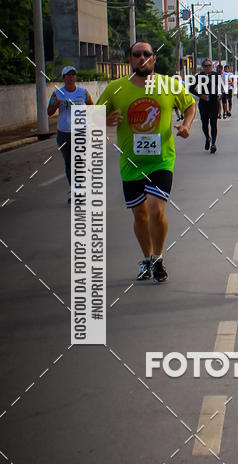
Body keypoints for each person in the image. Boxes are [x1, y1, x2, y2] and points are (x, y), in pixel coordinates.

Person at [96, 40, 195, 283]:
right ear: (130, 60)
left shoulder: (169, 84)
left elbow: (190, 105)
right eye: (136, 55)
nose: (142, 58)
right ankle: (147, 257)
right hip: (131, 163)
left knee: (155, 208)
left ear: (154, 59)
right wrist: (104, 120)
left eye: (147, 54)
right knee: (139, 215)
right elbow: (92, 117)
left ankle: (158, 257)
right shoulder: (116, 88)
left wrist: (186, 126)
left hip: (161, 160)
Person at [47, 66, 94, 203]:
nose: (71, 77)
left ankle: (79, 190)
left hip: (80, 131)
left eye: (73, 75)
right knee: (69, 162)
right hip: (64, 132)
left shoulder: (83, 92)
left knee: (78, 161)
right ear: (63, 78)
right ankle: (73, 188)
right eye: (68, 75)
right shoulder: (57, 94)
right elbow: (49, 112)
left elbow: (92, 106)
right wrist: (56, 105)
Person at [195, 58, 220, 153]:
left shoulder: (216, 75)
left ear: (212, 66)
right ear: (203, 67)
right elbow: (191, 88)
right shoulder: (199, 76)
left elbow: (221, 86)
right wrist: (201, 95)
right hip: (203, 103)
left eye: (209, 65)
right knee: (205, 123)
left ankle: (213, 143)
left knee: (214, 123)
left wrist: (219, 92)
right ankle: (207, 138)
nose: (208, 67)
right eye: (205, 66)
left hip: (214, 102)